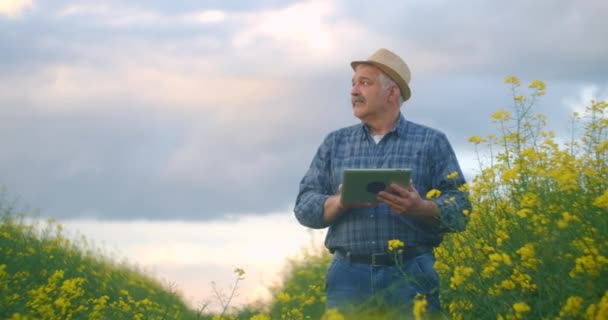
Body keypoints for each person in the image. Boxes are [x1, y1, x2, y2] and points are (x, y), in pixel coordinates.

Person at [294, 48, 471, 316]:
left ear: (392, 93)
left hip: (412, 273)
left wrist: (421, 207)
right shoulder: (334, 143)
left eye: (364, 83)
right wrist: (340, 201)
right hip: (347, 277)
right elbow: (304, 208)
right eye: (353, 84)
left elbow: (461, 210)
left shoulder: (431, 141)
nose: (354, 91)